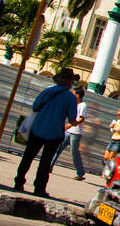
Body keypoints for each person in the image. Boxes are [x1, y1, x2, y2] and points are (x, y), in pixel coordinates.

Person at [13, 68, 81, 197]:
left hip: (37, 128)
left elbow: (35, 107)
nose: (73, 83)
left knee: (28, 157)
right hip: (54, 133)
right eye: (72, 81)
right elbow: (72, 119)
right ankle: (39, 188)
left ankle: (19, 182)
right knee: (45, 162)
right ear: (69, 82)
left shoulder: (47, 91)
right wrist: (76, 123)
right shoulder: (70, 98)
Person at [49, 86, 87, 181]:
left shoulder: (83, 105)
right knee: (58, 148)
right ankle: (49, 166)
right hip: (68, 131)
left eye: (74, 94)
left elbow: (81, 118)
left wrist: (70, 125)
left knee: (74, 152)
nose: (72, 95)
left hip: (75, 133)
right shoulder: (74, 104)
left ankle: (80, 173)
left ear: (78, 95)